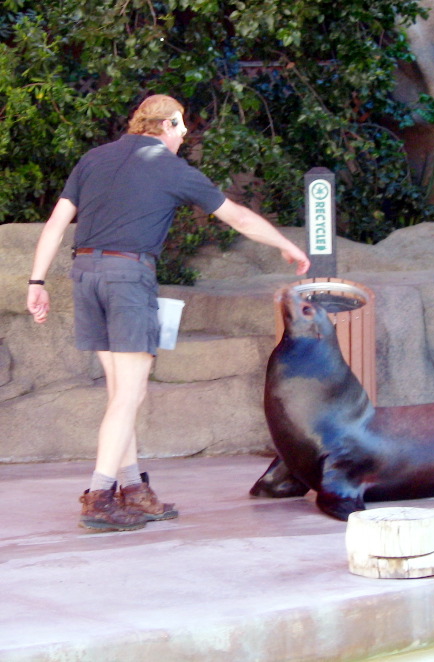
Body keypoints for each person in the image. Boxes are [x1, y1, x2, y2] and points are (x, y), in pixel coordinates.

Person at [27, 94, 310, 533]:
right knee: (128, 395)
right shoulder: (171, 167)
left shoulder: (94, 159)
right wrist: (286, 245)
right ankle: (100, 496)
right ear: (167, 124)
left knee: (123, 392)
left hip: (85, 274)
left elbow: (55, 224)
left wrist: (37, 282)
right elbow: (237, 217)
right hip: (127, 277)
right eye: (181, 129)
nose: (183, 137)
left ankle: (133, 489)